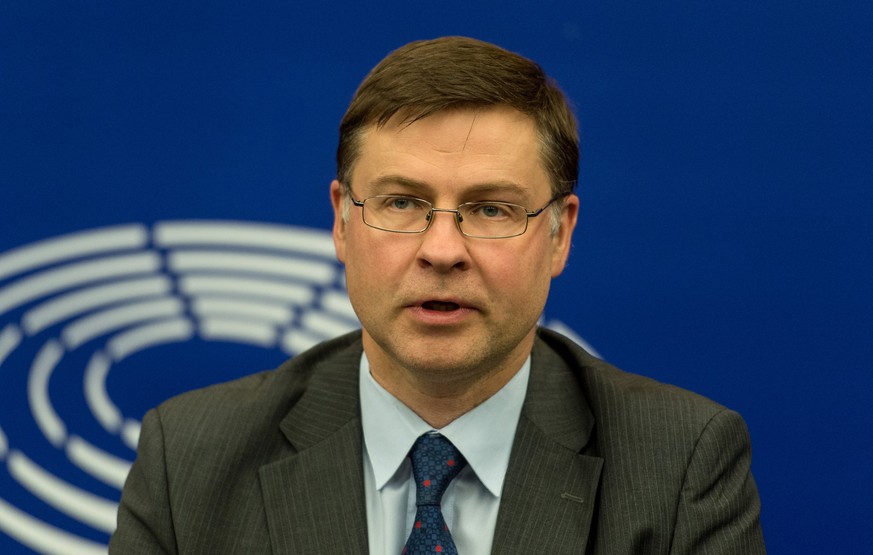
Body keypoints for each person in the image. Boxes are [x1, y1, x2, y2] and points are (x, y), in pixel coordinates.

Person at [110, 36, 765, 554]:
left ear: (560, 232)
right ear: (342, 221)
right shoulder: (190, 457)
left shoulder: (679, 463)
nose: (442, 249)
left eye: (489, 209)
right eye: (402, 202)